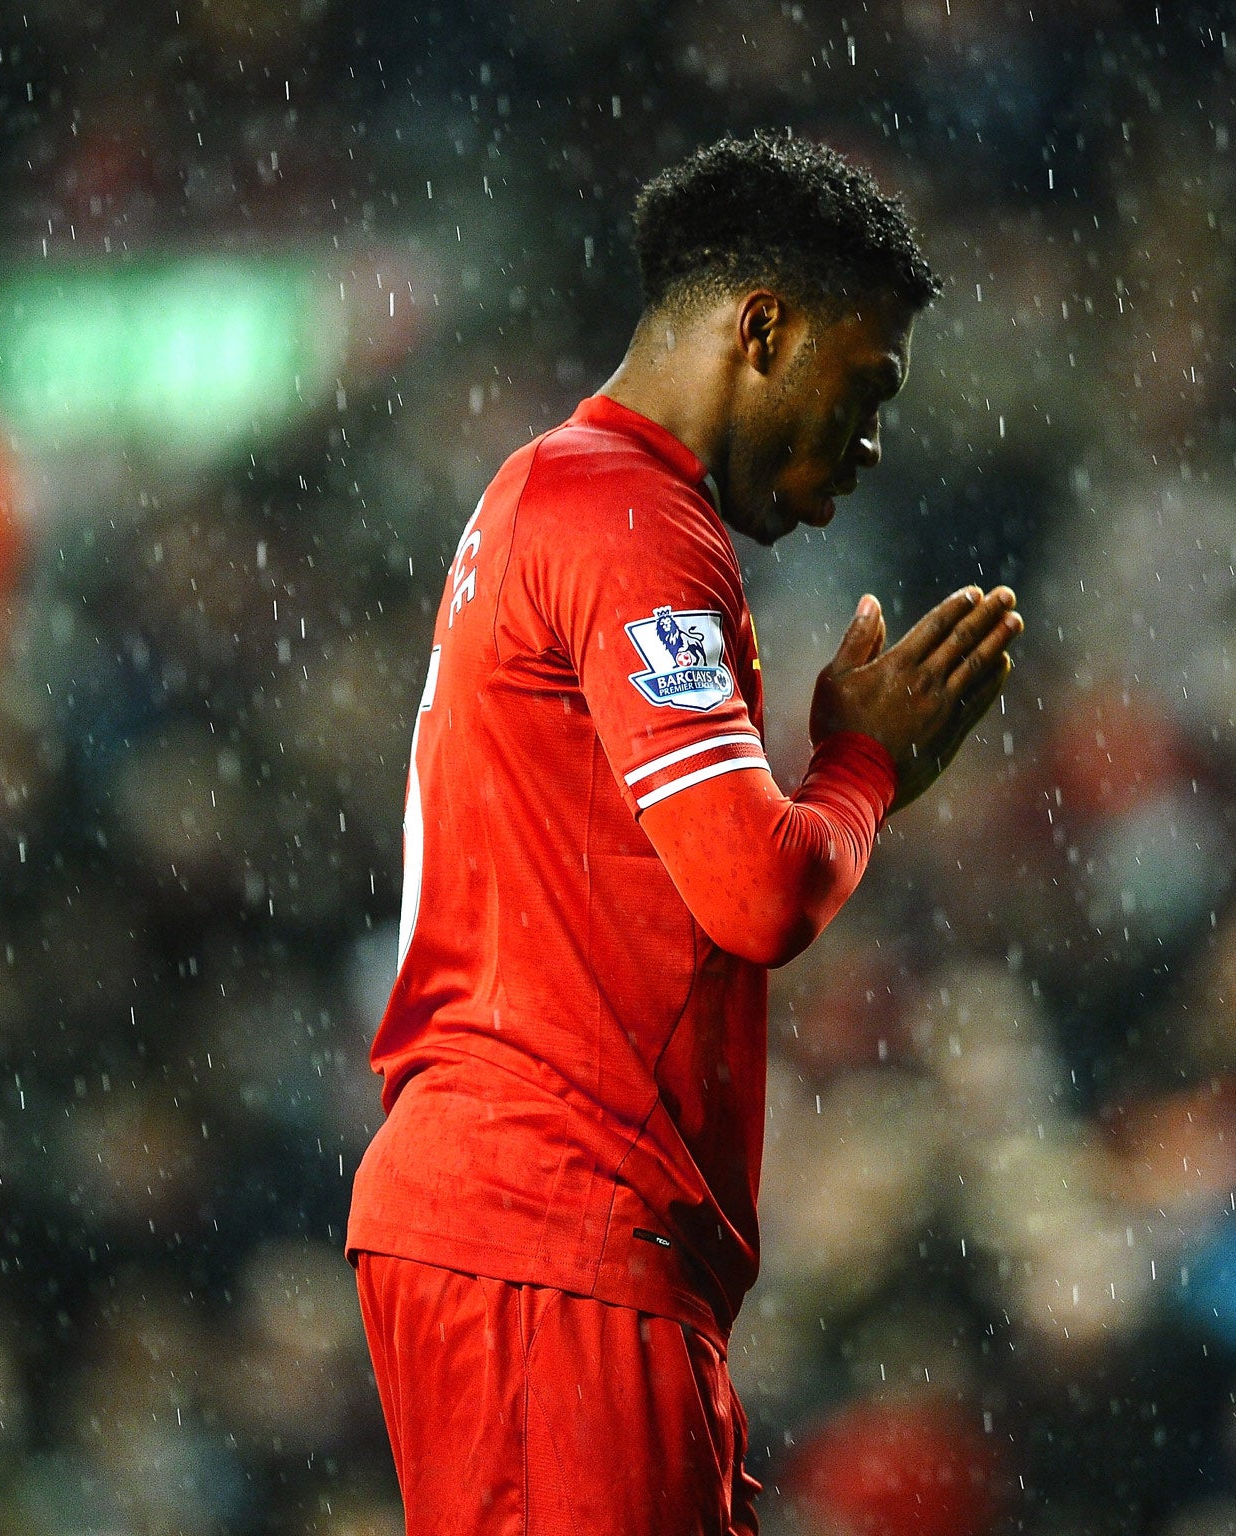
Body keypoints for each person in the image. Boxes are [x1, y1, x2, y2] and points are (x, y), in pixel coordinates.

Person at [346, 130, 1024, 1535]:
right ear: (762, 328)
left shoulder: (559, 493)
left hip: (529, 1227)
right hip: (554, 1228)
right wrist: (863, 770)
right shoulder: (628, 518)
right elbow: (755, 893)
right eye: (867, 382)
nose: (875, 437)